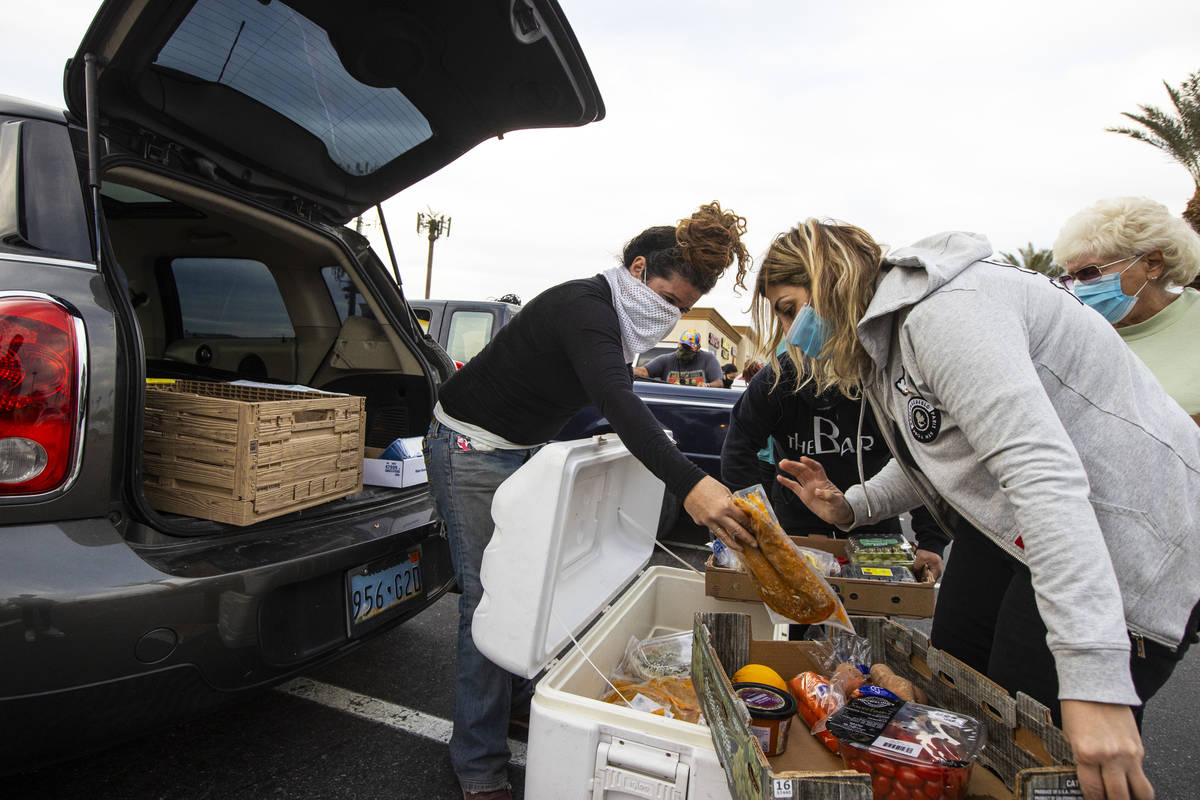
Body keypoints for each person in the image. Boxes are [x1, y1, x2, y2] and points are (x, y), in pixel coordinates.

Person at [760, 219, 1200, 800]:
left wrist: (1094, 682)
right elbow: (937, 451)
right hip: (1007, 532)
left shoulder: (947, 315)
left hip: (1117, 533)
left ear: (831, 277)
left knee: (1036, 736)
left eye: (792, 310)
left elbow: (1040, 473)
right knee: (955, 695)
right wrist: (849, 508)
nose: (793, 335)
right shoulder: (891, 344)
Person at [424, 202, 757, 800]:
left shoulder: (618, 320)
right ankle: (477, 762)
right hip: (471, 446)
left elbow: (609, 400)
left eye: (684, 310)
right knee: (490, 598)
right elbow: (617, 397)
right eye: (672, 301)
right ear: (637, 270)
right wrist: (691, 482)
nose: (673, 318)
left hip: (523, 446)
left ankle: (517, 700)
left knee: (532, 585)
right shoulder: (587, 308)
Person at [721, 255, 949, 577]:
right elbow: (738, 450)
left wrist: (930, 541)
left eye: (790, 311)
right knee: (799, 618)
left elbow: (919, 456)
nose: (791, 331)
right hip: (796, 523)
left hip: (873, 520)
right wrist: (758, 524)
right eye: (783, 317)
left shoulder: (880, 372)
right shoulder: (777, 379)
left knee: (871, 614)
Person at [1053, 196, 1200, 425]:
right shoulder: (1076, 339)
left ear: (1153, 263)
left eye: (1090, 272)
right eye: (1071, 278)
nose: (1080, 287)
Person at [633, 329, 725, 386]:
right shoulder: (666, 360)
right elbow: (644, 371)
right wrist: (623, 368)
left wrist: (707, 385)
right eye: (682, 346)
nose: (684, 349)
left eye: (688, 347)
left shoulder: (708, 359)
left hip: (698, 402)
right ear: (678, 344)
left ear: (697, 348)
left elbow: (719, 383)